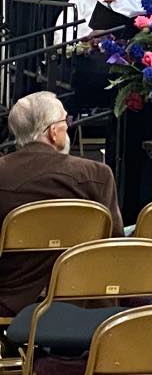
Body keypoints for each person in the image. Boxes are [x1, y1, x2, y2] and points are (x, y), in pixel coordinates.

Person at [0, 91, 124, 317]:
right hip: (83, 301)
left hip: (9, 299)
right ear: (53, 132)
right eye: (65, 121)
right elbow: (112, 246)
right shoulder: (96, 174)